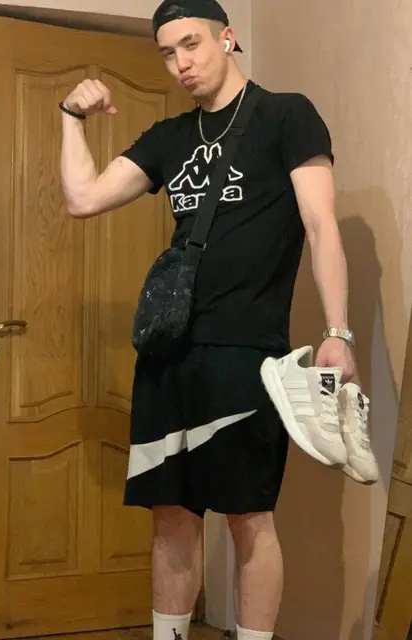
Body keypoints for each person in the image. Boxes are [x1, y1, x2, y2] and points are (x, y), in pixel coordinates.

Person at [60, 1, 356, 639]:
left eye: (191, 44)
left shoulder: (286, 115)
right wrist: (70, 118)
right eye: (168, 53)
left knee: (249, 517)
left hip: (248, 355)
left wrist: (338, 331)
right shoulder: (170, 137)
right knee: (171, 515)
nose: (181, 63)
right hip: (168, 354)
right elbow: (82, 198)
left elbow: (321, 225)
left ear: (227, 38)